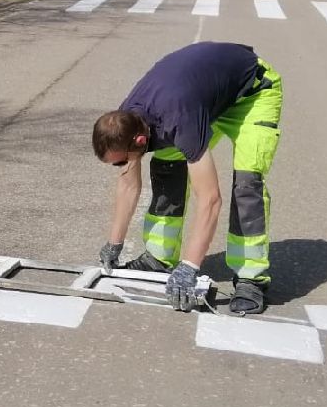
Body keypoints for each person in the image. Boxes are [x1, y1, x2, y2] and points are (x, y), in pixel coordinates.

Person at [91, 41, 283, 315]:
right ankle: (159, 257)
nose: (120, 165)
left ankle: (250, 276)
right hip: (205, 98)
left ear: (141, 139)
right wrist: (114, 243)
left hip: (253, 94)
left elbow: (210, 200)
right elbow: (128, 183)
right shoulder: (125, 119)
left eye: (121, 160)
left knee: (246, 184)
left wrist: (190, 267)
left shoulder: (181, 120)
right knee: (167, 166)